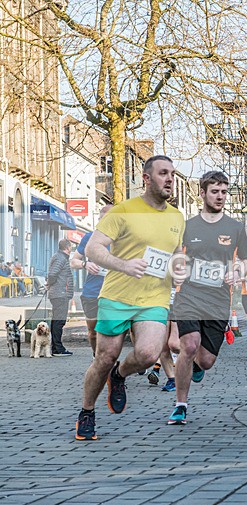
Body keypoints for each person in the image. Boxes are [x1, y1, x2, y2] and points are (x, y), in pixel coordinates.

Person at [76, 155, 185, 440]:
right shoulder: (124, 211)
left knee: (149, 354)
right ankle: (87, 411)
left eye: (172, 173)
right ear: (146, 178)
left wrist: (179, 269)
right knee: (104, 357)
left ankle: (120, 375)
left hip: (154, 298)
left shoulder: (176, 217)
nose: (170, 179)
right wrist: (123, 264)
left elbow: (175, 254)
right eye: (163, 173)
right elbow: (94, 248)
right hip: (117, 296)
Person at [168, 171, 247, 424]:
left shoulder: (235, 228)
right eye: (214, 191)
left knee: (206, 360)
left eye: (224, 192)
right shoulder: (187, 226)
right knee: (189, 345)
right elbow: (174, 256)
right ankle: (180, 404)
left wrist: (238, 272)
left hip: (218, 300)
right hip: (190, 296)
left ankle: (194, 366)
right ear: (202, 193)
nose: (220, 196)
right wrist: (176, 271)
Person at [72, 205, 114, 357]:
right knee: (93, 332)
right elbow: (74, 261)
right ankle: (98, 359)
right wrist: (85, 264)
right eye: (103, 220)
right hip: (92, 292)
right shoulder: (89, 238)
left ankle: (132, 358)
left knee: (118, 331)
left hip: (116, 292)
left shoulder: (123, 240)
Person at [47, 239, 75, 356]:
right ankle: (57, 348)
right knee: (59, 321)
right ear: (68, 247)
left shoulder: (60, 257)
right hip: (60, 294)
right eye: (71, 246)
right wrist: (50, 283)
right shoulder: (60, 258)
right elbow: (53, 274)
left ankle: (55, 347)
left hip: (59, 293)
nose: (72, 248)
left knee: (57, 321)